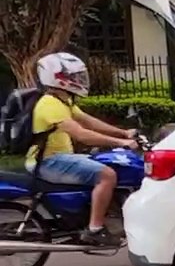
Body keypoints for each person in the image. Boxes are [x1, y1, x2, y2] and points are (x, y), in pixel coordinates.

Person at [26, 52, 138, 246]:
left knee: (105, 161)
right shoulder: (49, 104)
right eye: (74, 76)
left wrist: (123, 133)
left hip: (58, 158)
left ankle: (94, 215)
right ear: (59, 78)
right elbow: (81, 134)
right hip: (49, 161)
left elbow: (88, 121)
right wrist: (121, 143)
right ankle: (95, 229)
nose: (79, 80)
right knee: (107, 175)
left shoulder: (62, 100)